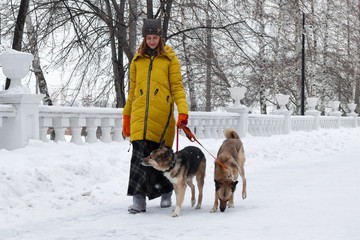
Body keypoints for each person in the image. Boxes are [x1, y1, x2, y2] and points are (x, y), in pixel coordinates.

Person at [122, 18, 189, 214]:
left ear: (161, 37)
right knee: (138, 160)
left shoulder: (170, 59)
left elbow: (177, 87)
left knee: (163, 158)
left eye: (155, 37)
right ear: (144, 38)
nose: (152, 41)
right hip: (139, 117)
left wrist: (182, 111)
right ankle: (138, 200)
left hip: (162, 117)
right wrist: (126, 115)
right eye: (148, 37)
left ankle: (166, 192)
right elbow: (132, 89)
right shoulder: (137, 60)